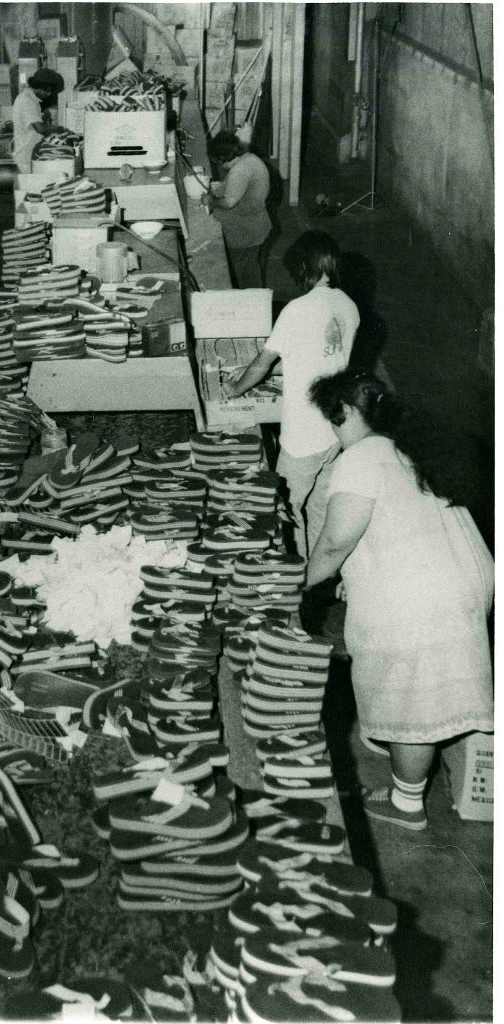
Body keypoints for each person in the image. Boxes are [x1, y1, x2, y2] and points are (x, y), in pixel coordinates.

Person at [305, 370, 494, 830]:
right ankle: (400, 748)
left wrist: (297, 583)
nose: (333, 429)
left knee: (412, 694)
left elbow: (334, 543)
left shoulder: (361, 456)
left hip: (423, 595)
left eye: (333, 419)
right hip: (464, 574)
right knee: (428, 681)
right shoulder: (402, 447)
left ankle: (407, 803)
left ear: (345, 411)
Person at [225, 230, 359, 557]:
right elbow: (327, 358)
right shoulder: (348, 306)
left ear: (303, 268)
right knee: (318, 507)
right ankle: (317, 571)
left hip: (304, 436)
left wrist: (234, 389)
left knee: (284, 507)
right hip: (336, 429)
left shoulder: (297, 309)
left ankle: (293, 574)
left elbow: (260, 365)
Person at [209, 130, 271, 288]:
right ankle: (254, 302)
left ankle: (249, 306)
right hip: (254, 224)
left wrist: (212, 200)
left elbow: (229, 202)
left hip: (245, 231)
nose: (221, 167)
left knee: (243, 274)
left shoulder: (240, 170)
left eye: (219, 163)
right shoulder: (250, 158)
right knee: (250, 268)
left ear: (223, 158)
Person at [12, 67, 64, 173]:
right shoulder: (26, 100)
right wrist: (59, 130)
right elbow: (40, 129)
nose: (49, 94)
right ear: (39, 87)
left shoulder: (32, 99)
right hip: (25, 158)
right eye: (47, 90)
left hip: (31, 154)